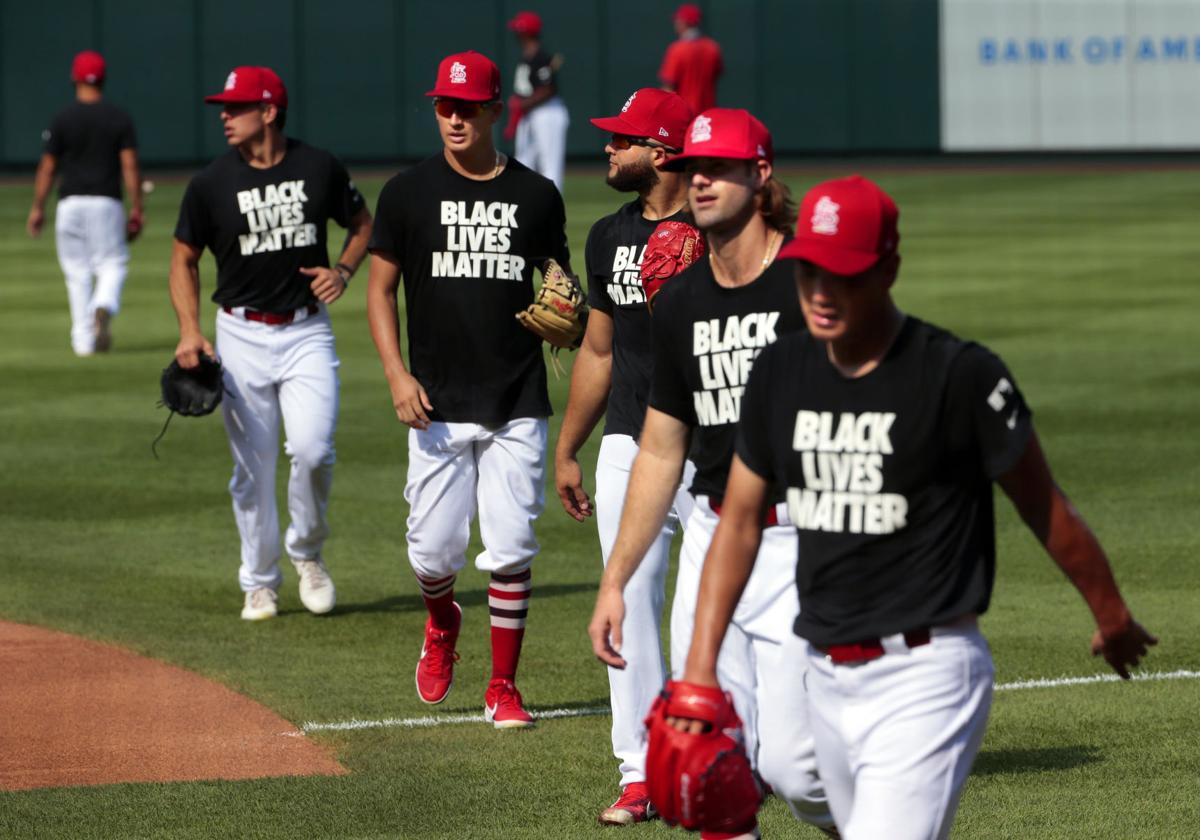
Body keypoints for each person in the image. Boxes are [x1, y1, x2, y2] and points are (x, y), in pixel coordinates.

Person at [675, 175, 1158, 839]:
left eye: (842, 273)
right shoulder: (779, 372)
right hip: (822, 669)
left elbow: (1045, 507)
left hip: (927, 674)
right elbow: (738, 522)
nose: (820, 291)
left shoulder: (959, 376)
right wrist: (700, 671)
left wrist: (1112, 614)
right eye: (808, 270)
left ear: (889, 270)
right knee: (792, 777)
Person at [588, 108, 836, 839]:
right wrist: (615, 581)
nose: (701, 179)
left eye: (720, 167)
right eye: (693, 166)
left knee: (794, 767)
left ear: (760, 176)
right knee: (706, 762)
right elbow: (661, 449)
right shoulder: (683, 303)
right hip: (710, 533)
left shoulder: (809, 288)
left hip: (798, 543)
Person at [366, 51, 570, 730]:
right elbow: (380, 291)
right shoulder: (406, 193)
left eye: (466, 106)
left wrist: (568, 309)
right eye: (443, 106)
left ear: (493, 110)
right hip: (436, 403)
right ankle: (442, 621)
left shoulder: (537, 196)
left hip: (516, 397)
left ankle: (503, 687)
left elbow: (558, 286)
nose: (453, 117)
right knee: (432, 553)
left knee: (511, 550)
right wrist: (397, 374)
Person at [169, 66, 372, 622]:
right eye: (224, 107)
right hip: (239, 334)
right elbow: (183, 258)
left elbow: (362, 223)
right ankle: (258, 581)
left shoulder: (318, 167)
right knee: (253, 467)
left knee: (312, 450)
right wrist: (190, 330)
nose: (224, 116)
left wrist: (345, 271)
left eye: (235, 107)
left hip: (306, 329)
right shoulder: (211, 183)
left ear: (269, 111)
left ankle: (307, 553)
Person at [554, 87, 694, 825]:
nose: (608, 149)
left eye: (623, 140)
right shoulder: (608, 236)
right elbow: (599, 349)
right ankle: (639, 772)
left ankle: (731, 755)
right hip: (627, 443)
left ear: (663, 151)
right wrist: (569, 445)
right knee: (627, 611)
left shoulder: (716, 225)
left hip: (711, 451)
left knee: (714, 618)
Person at [28, 50, 143, 357]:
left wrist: (38, 207)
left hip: (70, 204)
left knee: (76, 274)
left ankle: (83, 343)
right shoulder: (119, 117)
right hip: (106, 201)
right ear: (104, 79)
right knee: (113, 263)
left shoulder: (63, 118)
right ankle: (104, 304)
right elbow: (130, 165)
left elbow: (48, 167)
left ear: (74, 78)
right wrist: (137, 208)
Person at [507, 11, 570, 192]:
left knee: (550, 164)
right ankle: (526, 205)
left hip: (547, 112)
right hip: (530, 114)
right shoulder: (527, 56)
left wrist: (522, 104)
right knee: (524, 161)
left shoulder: (541, 57)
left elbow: (548, 89)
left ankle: (553, 211)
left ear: (525, 32)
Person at [659, 4, 723, 116]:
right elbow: (717, 74)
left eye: (678, 21)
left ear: (683, 23)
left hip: (683, 115)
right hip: (707, 114)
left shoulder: (677, 50)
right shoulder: (712, 47)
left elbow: (668, 87)